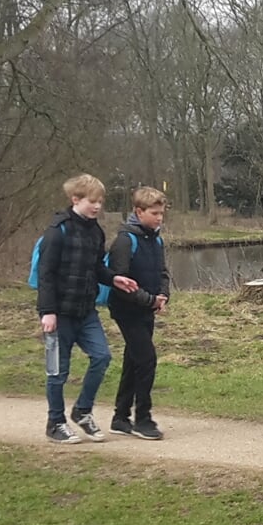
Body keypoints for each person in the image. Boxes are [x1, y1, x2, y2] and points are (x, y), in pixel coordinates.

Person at [33, 176, 134, 441]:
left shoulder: (96, 231)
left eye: (100, 201)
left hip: (86, 311)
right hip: (59, 313)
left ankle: (82, 411)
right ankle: (55, 423)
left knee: (102, 357)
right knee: (58, 371)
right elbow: (46, 273)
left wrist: (113, 278)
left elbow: (96, 267)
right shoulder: (58, 230)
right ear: (75, 199)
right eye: (92, 201)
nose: (97, 206)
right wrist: (47, 312)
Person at [107, 187, 172, 440]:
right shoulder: (125, 240)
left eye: (161, 213)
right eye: (154, 213)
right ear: (139, 212)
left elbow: (162, 272)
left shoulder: (155, 239)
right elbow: (118, 281)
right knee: (146, 360)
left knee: (133, 360)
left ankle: (120, 416)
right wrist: (148, 300)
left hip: (147, 309)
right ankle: (142, 418)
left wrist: (163, 296)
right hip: (126, 310)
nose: (159, 218)